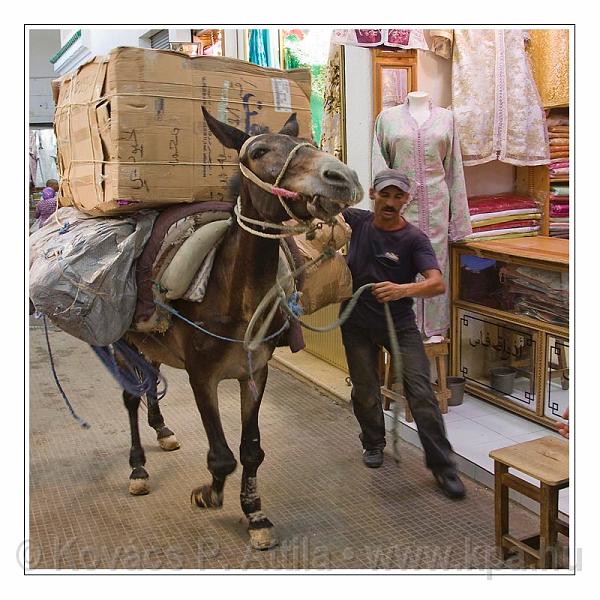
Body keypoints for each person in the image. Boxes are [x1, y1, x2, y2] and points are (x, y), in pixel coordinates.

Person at [340, 168, 466, 500]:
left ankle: (443, 466)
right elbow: (319, 207)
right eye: (386, 194)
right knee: (365, 389)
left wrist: (402, 289)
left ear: (407, 200)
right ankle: (373, 443)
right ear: (373, 194)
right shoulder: (356, 221)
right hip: (356, 322)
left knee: (421, 393)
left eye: (398, 196)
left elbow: (436, 283)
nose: (391, 202)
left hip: (399, 324)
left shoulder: (414, 239)